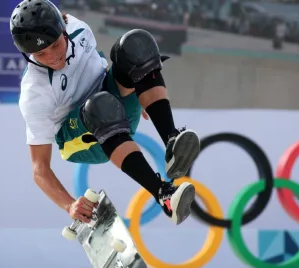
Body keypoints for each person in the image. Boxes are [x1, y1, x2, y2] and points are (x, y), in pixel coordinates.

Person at [10, 0, 201, 225]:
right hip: (80, 141)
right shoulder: (35, 92)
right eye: (40, 54)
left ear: (64, 29)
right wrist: (69, 204)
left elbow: (106, 71)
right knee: (99, 105)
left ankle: (171, 140)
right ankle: (164, 195)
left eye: (55, 44)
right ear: (29, 55)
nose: (52, 57)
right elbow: (39, 169)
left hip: (112, 103)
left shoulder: (79, 29)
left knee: (136, 44)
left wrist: (142, 93)